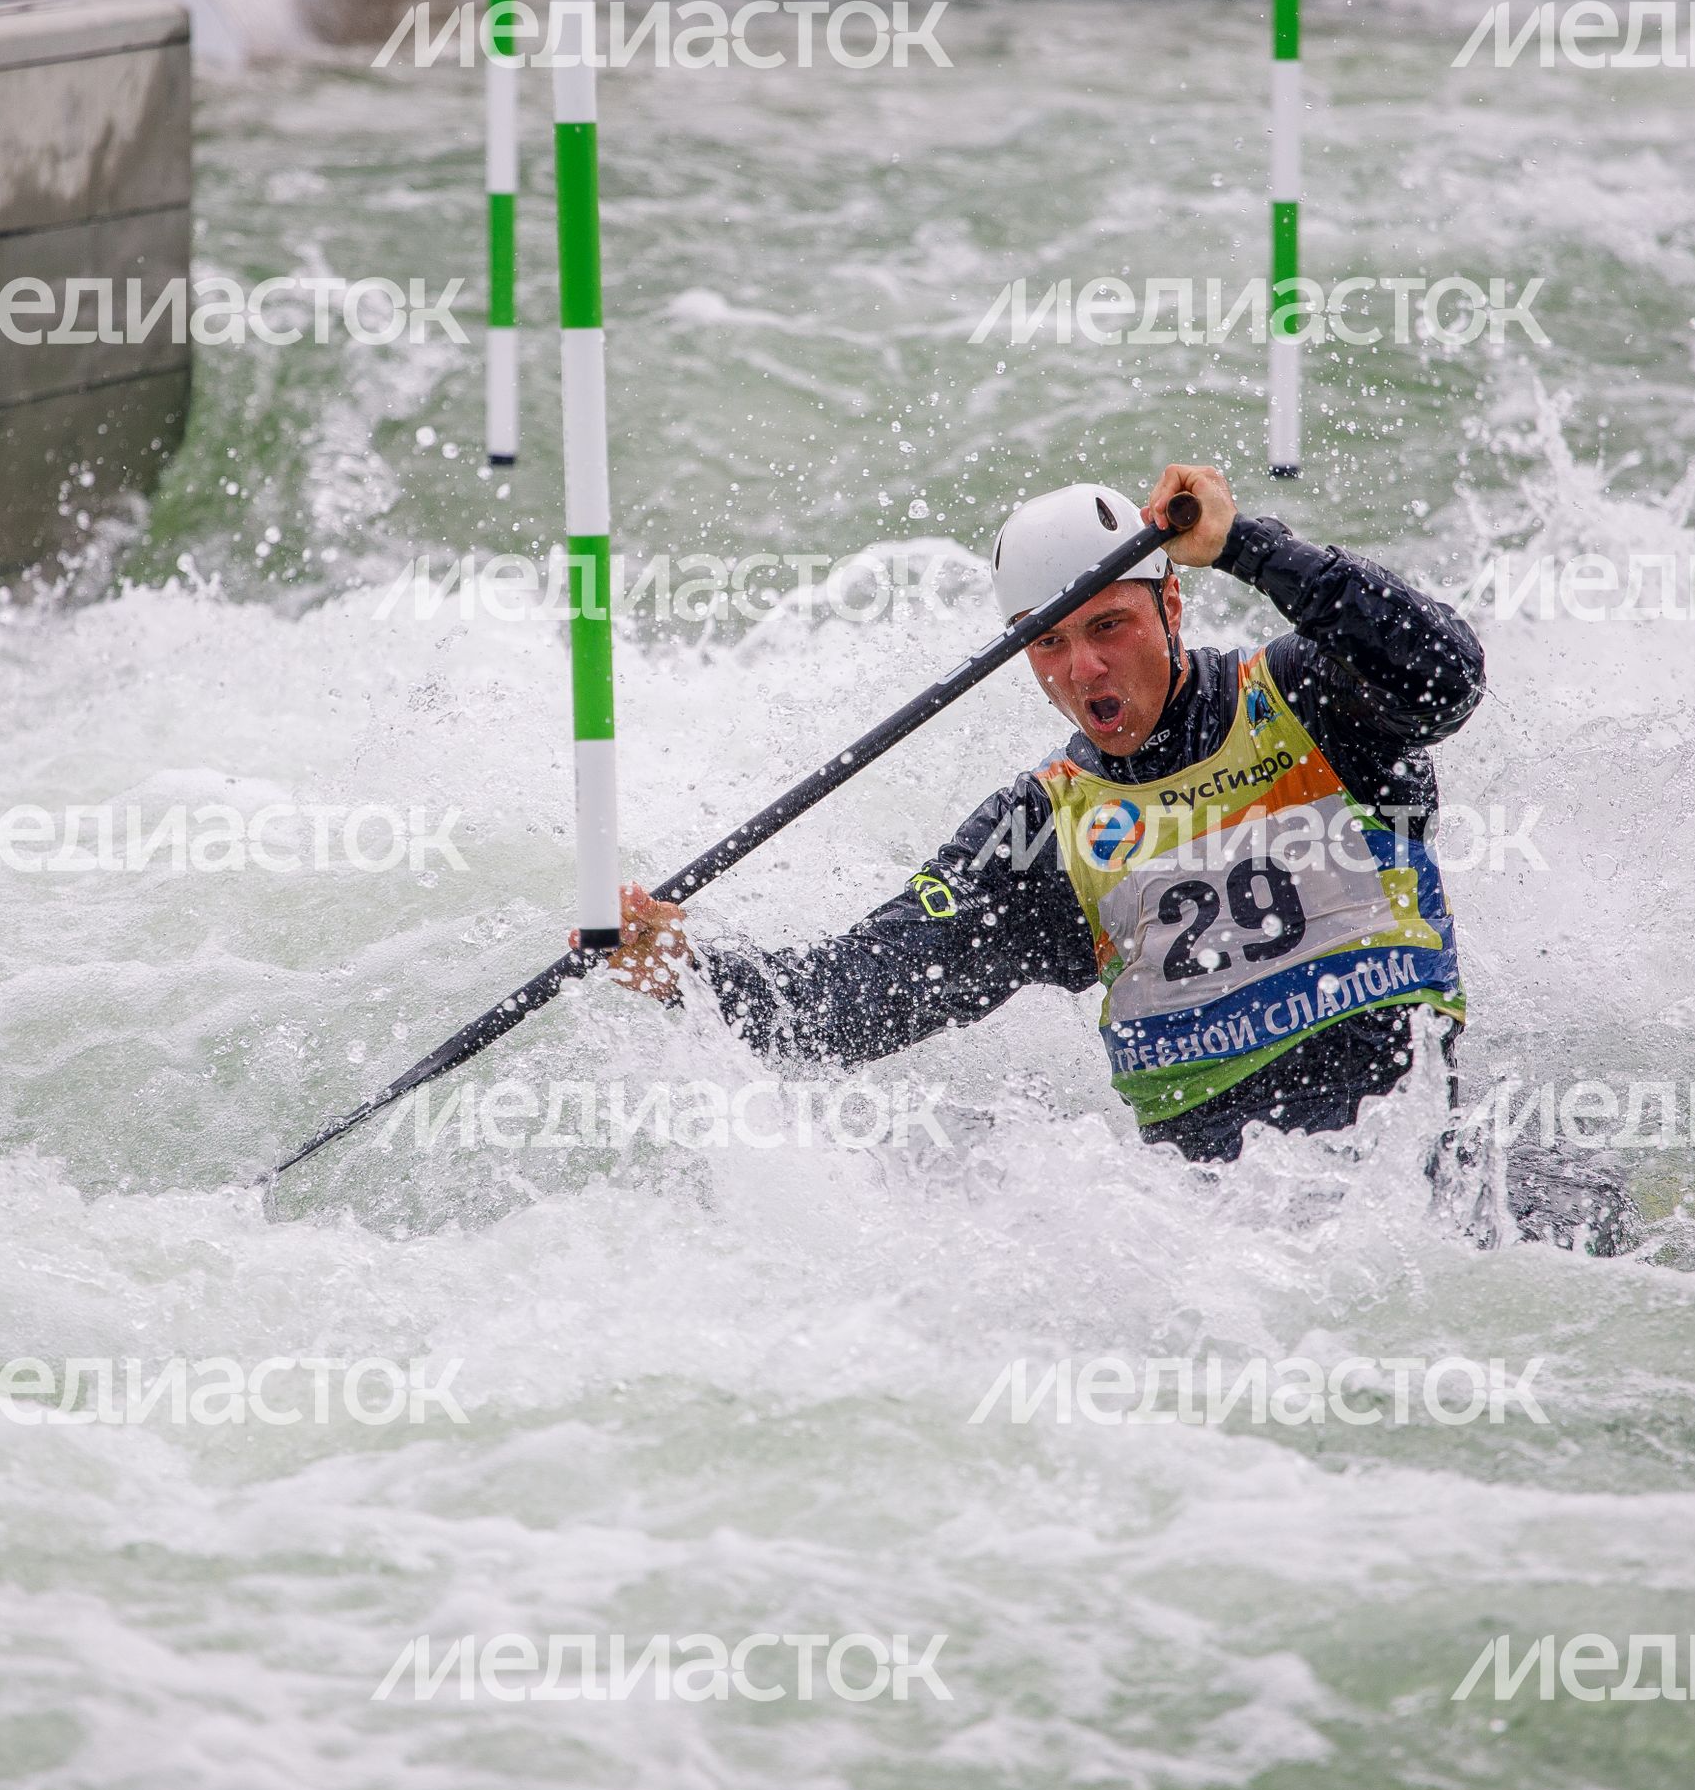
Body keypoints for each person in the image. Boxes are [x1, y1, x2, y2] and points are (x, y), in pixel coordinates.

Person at [604, 463, 1630, 1251]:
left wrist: (1248, 548)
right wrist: (682, 973)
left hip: (1420, 1193)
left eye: (1110, 627)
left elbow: (1448, 677)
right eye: (1047, 643)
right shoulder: (1040, 834)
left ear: (1170, 608)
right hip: (1225, 1244)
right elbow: (849, 1000)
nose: (1084, 667)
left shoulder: (1310, 702)